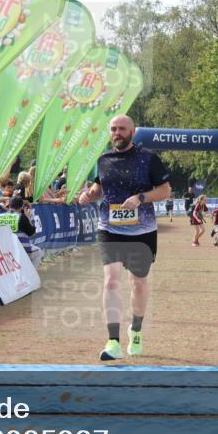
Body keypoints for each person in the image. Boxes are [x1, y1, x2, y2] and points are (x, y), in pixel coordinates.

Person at [77, 114, 171, 362]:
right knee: (110, 281)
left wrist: (141, 198)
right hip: (109, 228)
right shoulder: (103, 160)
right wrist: (89, 195)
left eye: (121, 129)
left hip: (142, 231)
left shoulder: (148, 159)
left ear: (132, 132)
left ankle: (136, 331)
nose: (116, 133)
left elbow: (165, 190)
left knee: (138, 283)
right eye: (113, 129)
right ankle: (113, 341)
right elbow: (100, 188)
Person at [0, 195, 42, 267]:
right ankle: (30, 274)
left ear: (9, 205)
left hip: (3, 250)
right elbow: (32, 233)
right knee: (38, 252)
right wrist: (28, 217)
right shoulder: (21, 217)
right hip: (21, 250)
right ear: (21, 207)